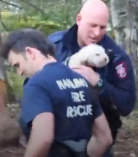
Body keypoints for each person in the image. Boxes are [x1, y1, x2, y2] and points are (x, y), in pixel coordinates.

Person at [1, 28, 112, 157]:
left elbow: (43, 139)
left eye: (18, 65)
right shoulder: (81, 80)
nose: (20, 72)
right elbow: (104, 137)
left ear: (30, 53)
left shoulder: (37, 84)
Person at [48, 0, 137, 156]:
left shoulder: (116, 57)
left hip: (96, 140)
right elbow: (34, 83)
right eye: (92, 25)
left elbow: (127, 104)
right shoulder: (55, 45)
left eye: (102, 27)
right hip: (57, 134)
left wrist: (98, 82)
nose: (97, 33)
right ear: (79, 19)